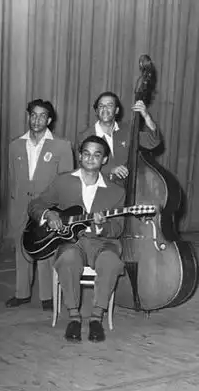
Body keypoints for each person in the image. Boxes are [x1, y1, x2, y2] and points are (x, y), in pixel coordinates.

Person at [28, 135, 126, 343]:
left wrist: (101, 225)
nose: (91, 158)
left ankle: (96, 318)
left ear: (104, 159)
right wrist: (49, 214)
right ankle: (74, 317)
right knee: (68, 259)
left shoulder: (116, 191)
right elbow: (35, 204)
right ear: (80, 156)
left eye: (97, 155)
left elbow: (118, 228)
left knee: (111, 262)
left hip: (102, 243)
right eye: (86, 153)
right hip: (72, 242)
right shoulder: (63, 181)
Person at [6, 99, 73, 311]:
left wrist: (58, 210)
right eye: (33, 115)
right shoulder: (15, 145)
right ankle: (22, 293)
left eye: (42, 116)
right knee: (22, 248)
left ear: (49, 120)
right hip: (21, 206)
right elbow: (12, 179)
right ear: (28, 116)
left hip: (47, 207)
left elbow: (65, 182)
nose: (37, 120)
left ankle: (47, 296)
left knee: (46, 249)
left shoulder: (62, 146)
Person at [75, 91, 160, 183]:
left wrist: (146, 116)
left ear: (116, 110)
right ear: (96, 111)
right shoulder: (85, 136)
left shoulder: (128, 130)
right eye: (101, 106)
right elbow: (83, 167)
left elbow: (153, 142)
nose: (105, 109)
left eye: (109, 105)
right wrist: (110, 170)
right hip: (99, 186)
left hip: (127, 185)